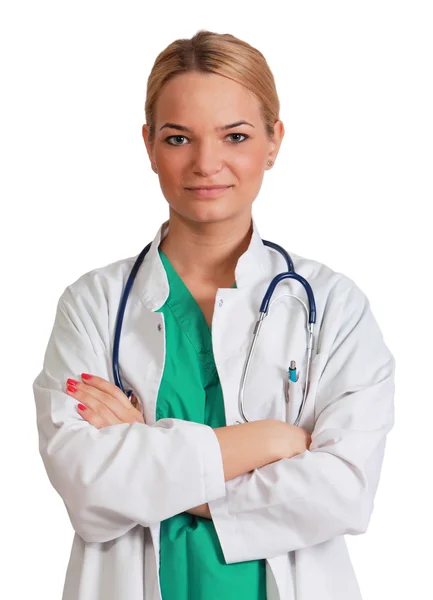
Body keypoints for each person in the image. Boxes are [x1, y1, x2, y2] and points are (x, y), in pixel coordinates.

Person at [32, 29, 395, 600]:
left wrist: (148, 452)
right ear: (149, 144)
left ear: (274, 141)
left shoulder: (333, 307)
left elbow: (343, 491)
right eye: (179, 138)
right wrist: (271, 441)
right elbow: (88, 488)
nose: (206, 163)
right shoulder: (93, 305)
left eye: (236, 135)